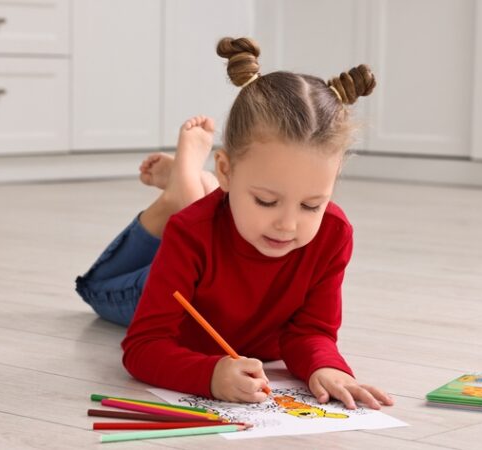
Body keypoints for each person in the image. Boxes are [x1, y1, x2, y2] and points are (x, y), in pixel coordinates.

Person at [75, 37, 393, 410]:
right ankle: (182, 194)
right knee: (100, 289)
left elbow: (311, 331)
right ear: (226, 169)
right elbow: (143, 347)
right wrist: (209, 374)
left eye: (311, 204)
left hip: (220, 247)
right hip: (178, 276)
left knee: (216, 219)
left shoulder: (334, 233)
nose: (287, 225)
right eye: (266, 201)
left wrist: (326, 366)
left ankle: (193, 185)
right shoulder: (190, 232)